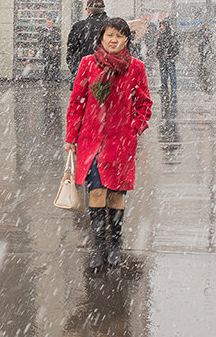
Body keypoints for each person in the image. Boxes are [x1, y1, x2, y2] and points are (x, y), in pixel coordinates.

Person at [65, 18, 153, 269]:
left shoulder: (135, 68)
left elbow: (144, 105)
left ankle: (115, 244)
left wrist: (134, 128)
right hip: (92, 141)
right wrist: (71, 137)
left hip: (120, 142)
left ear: (126, 39)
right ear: (102, 38)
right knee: (96, 191)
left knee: (115, 194)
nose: (114, 40)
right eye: (110, 35)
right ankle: (99, 248)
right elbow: (77, 103)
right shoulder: (88, 64)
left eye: (119, 36)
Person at [66, 0, 109, 79]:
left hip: (84, 75)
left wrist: (76, 70)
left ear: (88, 10)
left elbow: (71, 51)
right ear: (103, 9)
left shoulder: (79, 26)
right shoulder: (112, 25)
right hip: (107, 76)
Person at [151, 19, 179, 113]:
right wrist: (159, 54)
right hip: (163, 58)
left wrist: (173, 54)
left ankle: (173, 87)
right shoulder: (162, 35)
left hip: (168, 57)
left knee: (171, 73)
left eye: (162, 25)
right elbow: (158, 45)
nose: (161, 27)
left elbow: (175, 45)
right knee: (163, 73)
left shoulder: (171, 35)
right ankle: (164, 86)